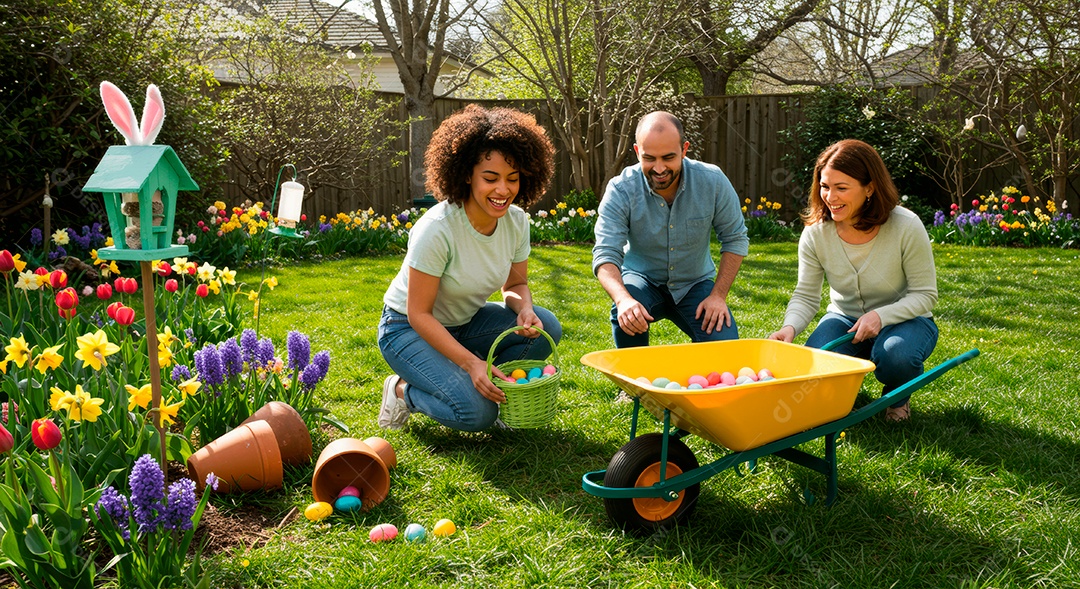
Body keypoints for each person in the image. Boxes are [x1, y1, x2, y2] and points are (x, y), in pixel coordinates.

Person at [377, 105, 562, 431]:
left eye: (512, 178)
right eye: (490, 178)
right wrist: (472, 363)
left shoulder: (516, 223)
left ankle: (497, 386)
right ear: (466, 174)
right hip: (406, 328)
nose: (503, 190)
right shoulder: (438, 229)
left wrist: (525, 308)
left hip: (465, 323)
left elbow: (515, 285)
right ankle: (402, 392)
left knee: (546, 326)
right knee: (478, 414)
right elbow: (419, 314)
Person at [767, 139, 938, 422]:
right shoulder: (816, 234)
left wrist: (880, 317)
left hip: (907, 320)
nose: (830, 197)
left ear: (869, 188)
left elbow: (925, 295)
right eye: (824, 186)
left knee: (897, 356)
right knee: (815, 362)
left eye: (841, 188)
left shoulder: (906, 226)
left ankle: (897, 398)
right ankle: (845, 390)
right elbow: (806, 295)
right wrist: (790, 328)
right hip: (844, 318)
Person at [592, 111, 749, 348]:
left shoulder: (713, 181)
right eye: (649, 158)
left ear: (684, 150)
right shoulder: (621, 189)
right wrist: (623, 299)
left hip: (695, 284)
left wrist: (718, 296)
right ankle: (634, 383)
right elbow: (605, 254)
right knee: (625, 311)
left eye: (668, 157)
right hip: (642, 281)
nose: (659, 168)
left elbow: (735, 239)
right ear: (637, 152)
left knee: (724, 347)